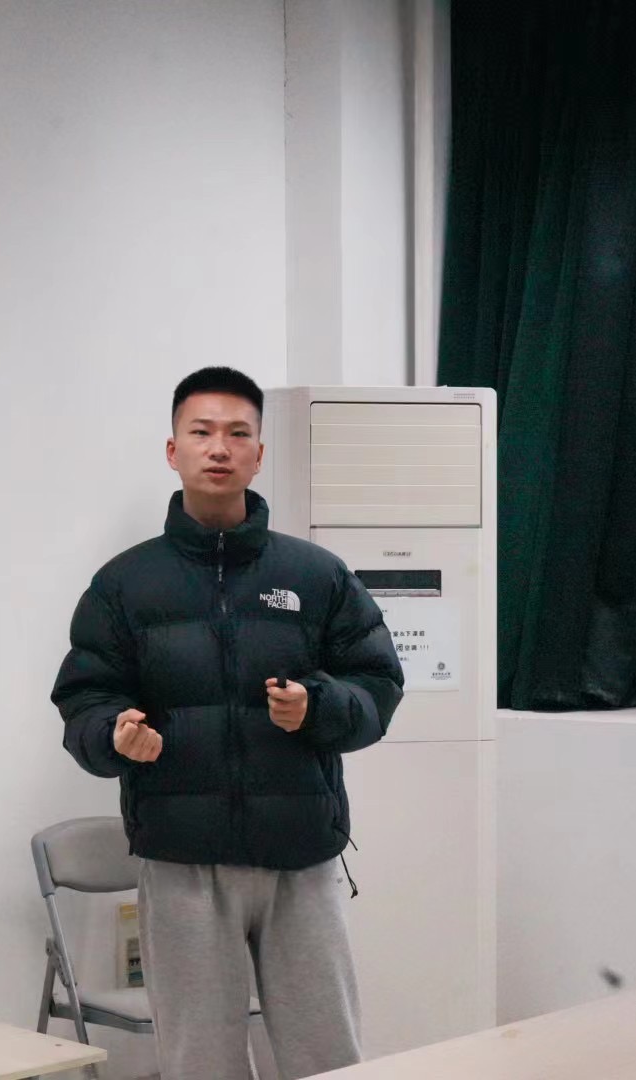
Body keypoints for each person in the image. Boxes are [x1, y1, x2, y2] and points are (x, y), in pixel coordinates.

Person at [52, 366, 404, 1080]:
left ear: (259, 454)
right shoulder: (124, 584)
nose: (220, 447)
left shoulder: (316, 575)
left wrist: (319, 707)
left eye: (238, 433)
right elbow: (85, 697)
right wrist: (115, 736)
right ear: (173, 449)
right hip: (182, 861)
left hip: (301, 854)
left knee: (328, 1056)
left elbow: (378, 686)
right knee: (199, 1064)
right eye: (202, 432)